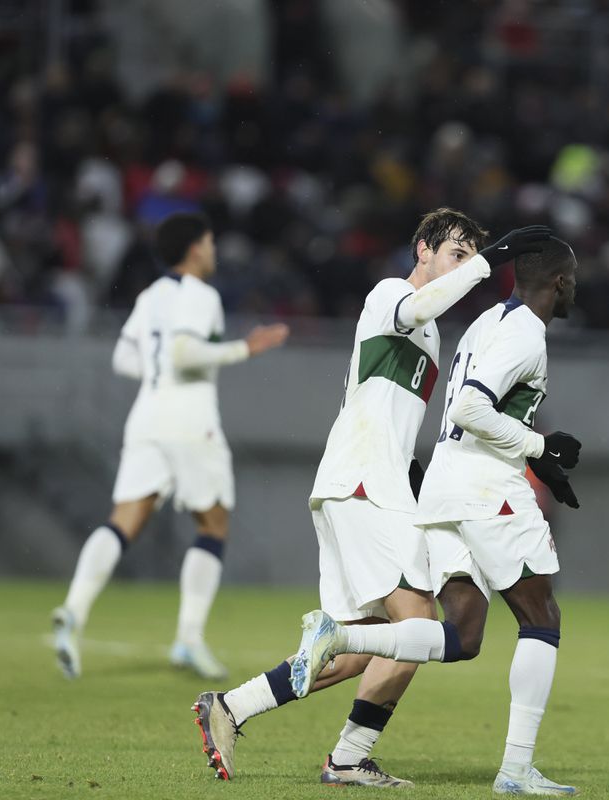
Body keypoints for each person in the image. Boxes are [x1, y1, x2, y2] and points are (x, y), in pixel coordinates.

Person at [192, 209, 552, 785]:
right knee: (419, 620)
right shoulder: (391, 294)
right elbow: (419, 308)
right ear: (423, 250)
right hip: (363, 484)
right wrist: (492, 260)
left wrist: (413, 473)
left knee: (360, 648)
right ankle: (349, 757)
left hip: (368, 484)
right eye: (455, 253)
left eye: (469, 255)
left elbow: (391, 412)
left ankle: (230, 708)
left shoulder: (432, 335)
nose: (463, 265)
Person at [290, 237, 584, 796]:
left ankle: (341, 640)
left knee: (465, 634)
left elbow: (473, 406)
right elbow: (474, 407)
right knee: (542, 617)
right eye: (575, 278)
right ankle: (516, 770)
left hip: (445, 490)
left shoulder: (484, 324)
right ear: (561, 283)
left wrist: (543, 465)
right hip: (487, 490)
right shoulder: (526, 334)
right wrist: (538, 449)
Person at [50, 212, 289, 680]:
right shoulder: (201, 295)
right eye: (211, 241)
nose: (214, 250)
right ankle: (188, 639)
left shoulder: (150, 295)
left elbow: (124, 358)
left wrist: (158, 370)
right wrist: (245, 348)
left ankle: (73, 611)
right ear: (196, 248)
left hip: (146, 416)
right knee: (213, 522)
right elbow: (183, 352)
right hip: (189, 418)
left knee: (124, 519)